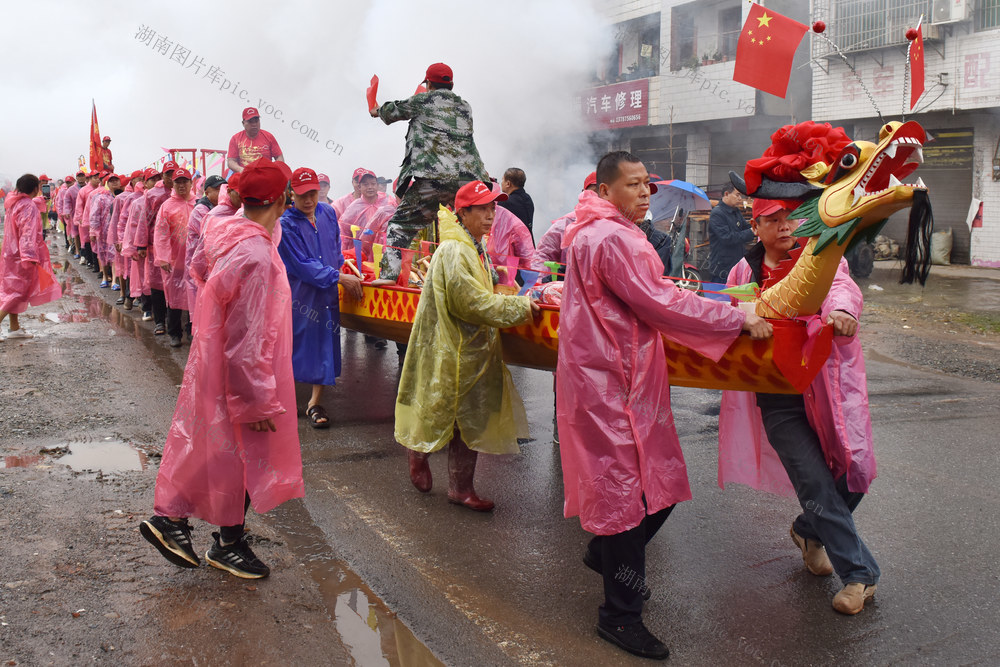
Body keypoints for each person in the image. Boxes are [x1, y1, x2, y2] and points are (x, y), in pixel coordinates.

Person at [556, 151, 771, 660]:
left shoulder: (600, 232)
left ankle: (602, 555)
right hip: (613, 383)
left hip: (617, 377)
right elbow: (658, 301)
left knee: (656, 485)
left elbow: (645, 296)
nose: (645, 193)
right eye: (633, 185)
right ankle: (620, 616)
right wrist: (732, 317)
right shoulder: (609, 237)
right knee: (631, 497)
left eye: (646, 185)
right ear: (605, 190)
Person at [140, 158, 302, 580]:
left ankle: (178, 522)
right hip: (243, 373)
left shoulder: (228, 231)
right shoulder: (256, 254)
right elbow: (247, 338)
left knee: (215, 446)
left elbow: (197, 268)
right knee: (246, 455)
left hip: (215, 361)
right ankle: (223, 541)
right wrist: (258, 400)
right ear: (282, 199)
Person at [718, 198, 880, 615]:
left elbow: (841, 286)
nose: (785, 225)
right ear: (756, 226)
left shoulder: (817, 256)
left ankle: (809, 530)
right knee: (812, 480)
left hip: (826, 385)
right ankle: (860, 575)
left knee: (853, 473)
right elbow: (727, 310)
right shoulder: (743, 270)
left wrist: (843, 311)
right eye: (773, 219)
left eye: (790, 217)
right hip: (776, 393)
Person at [396, 180, 539, 512]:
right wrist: (518, 309)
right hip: (451, 348)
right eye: (483, 209)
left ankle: (461, 488)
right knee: (442, 411)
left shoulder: (475, 245)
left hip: (473, 348)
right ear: (463, 213)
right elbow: (469, 303)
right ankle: (418, 452)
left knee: (469, 420)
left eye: (493, 208)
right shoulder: (456, 249)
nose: (491, 215)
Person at [370, 62, 489, 282]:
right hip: (467, 181)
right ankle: (491, 278)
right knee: (471, 230)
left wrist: (375, 110)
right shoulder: (465, 106)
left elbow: (392, 111)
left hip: (433, 178)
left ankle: (388, 276)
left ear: (429, 84)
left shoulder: (423, 100)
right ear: (451, 84)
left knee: (401, 225)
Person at [276, 167, 363, 428]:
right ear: (292, 193)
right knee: (295, 344)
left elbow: (335, 248)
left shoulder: (327, 213)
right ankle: (282, 398)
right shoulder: (286, 223)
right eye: (302, 194)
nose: (308, 200)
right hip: (300, 294)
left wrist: (341, 270)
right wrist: (339, 277)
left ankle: (315, 403)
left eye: (313, 193)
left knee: (326, 343)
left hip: (327, 291)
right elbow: (302, 265)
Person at [0, 174, 62, 339]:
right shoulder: (27, 207)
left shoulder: (14, 202)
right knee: (19, 292)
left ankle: (15, 328)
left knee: (12, 290)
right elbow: (27, 234)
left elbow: (28, 205)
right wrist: (29, 257)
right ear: (35, 188)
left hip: (11, 254)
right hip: (22, 256)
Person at [154, 167, 196, 348]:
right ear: (173, 184)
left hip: (195, 260)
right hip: (175, 260)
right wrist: (163, 257)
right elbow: (161, 233)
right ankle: (174, 333)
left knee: (194, 296)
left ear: (191, 183)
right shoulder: (167, 206)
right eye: (178, 182)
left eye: (185, 182)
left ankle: (192, 330)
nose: (181, 185)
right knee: (174, 295)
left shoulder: (198, 204)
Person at [531, 172, 598, 279]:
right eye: (593, 192)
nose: (597, 198)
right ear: (582, 193)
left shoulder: (617, 225)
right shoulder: (566, 223)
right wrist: (541, 283)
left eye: (601, 194)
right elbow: (542, 256)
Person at [184, 174, 226, 313]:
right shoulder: (200, 210)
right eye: (217, 189)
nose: (222, 191)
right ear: (207, 192)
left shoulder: (223, 208)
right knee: (200, 303)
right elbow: (212, 236)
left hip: (215, 263)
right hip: (201, 264)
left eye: (224, 188)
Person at [705, 183, 754, 283]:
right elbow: (727, 238)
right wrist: (751, 231)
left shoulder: (736, 212)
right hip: (722, 270)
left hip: (737, 266)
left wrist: (756, 227)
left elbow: (746, 228)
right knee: (721, 298)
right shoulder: (717, 214)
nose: (740, 198)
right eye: (737, 195)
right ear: (726, 194)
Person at [337, 170, 391, 254]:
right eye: (365, 184)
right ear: (359, 187)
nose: (370, 187)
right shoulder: (354, 207)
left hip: (385, 253)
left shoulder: (388, 201)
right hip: (361, 255)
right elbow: (343, 232)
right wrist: (343, 254)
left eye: (373, 184)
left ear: (377, 185)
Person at [485, 205, 533, 287]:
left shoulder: (510, 221)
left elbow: (530, 261)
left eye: (492, 208)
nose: (490, 216)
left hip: (503, 288)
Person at [226, 107, 284, 173]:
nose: (254, 124)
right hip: (244, 176)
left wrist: (275, 169)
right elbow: (231, 161)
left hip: (265, 175)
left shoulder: (269, 137)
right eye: (250, 122)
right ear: (243, 123)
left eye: (256, 121)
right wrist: (240, 170)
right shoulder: (235, 139)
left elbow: (279, 157)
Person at [498, 167, 535, 236]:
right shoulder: (528, 198)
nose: (501, 183)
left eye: (502, 180)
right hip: (529, 242)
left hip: (514, 244)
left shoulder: (505, 202)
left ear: (508, 184)